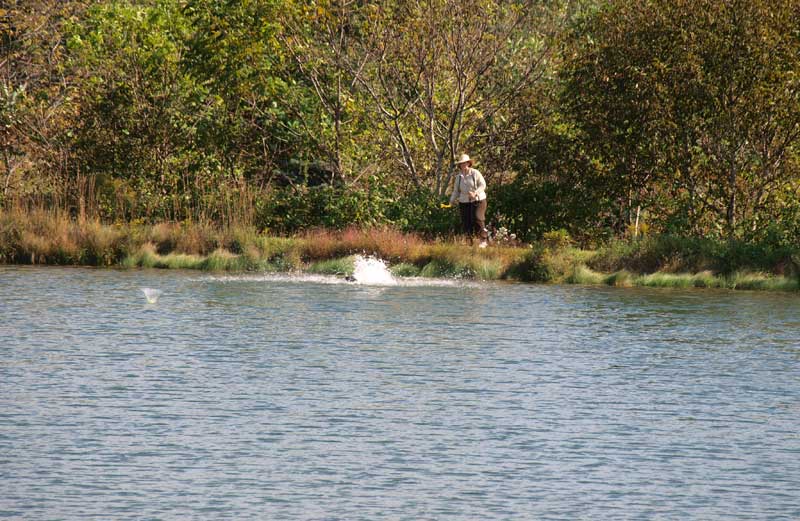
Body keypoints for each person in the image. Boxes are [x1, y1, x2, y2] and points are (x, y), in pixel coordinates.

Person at [449, 153, 489, 247]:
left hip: (478, 200)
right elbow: (456, 191)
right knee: (466, 222)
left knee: (477, 218)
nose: (463, 165)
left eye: (465, 163)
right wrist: (451, 201)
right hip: (464, 202)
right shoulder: (458, 177)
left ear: (468, 163)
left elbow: (483, 185)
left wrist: (475, 193)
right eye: (461, 163)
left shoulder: (475, 173)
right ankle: (469, 243)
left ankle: (483, 240)